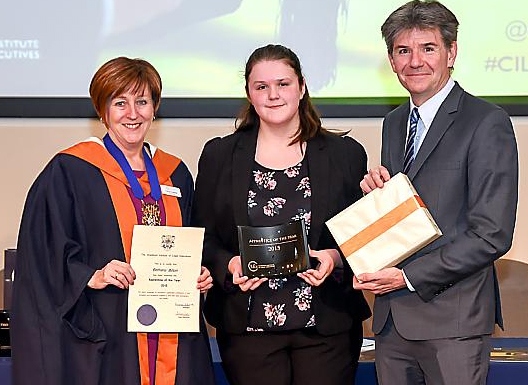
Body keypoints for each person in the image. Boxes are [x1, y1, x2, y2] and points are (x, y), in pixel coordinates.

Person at [11, 57, 216, 385]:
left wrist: (200, 273)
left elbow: (193, 243)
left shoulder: (176, 173)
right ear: (102, 110)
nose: (132, 113)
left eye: (142, 101)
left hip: (172, 328)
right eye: (120, 102)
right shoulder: (71, 171)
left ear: (155, 107)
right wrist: (92, 274)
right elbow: (42, 255)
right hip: (108, 330)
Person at [353, 1, 519, 384]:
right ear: (391, 60)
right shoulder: (394, 123)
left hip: (453, 324)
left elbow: (492, 234)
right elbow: (411, 216)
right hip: (392, 322)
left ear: (451, 52)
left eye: (428, 48)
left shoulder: (487, 122)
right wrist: (376, 198)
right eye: (403, 51)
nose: (415, 61)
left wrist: (407, 277)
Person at [192, 44, 371, 385]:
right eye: (261, 86)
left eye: (283, 84)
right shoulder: (219, 155)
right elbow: (203, 235)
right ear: (249, 92)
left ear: (302, 87)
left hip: (327, 326)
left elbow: (360, 235)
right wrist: (230, 265)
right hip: (248, 327)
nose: (273, 95)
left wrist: (334, 257)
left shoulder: (345, 154)